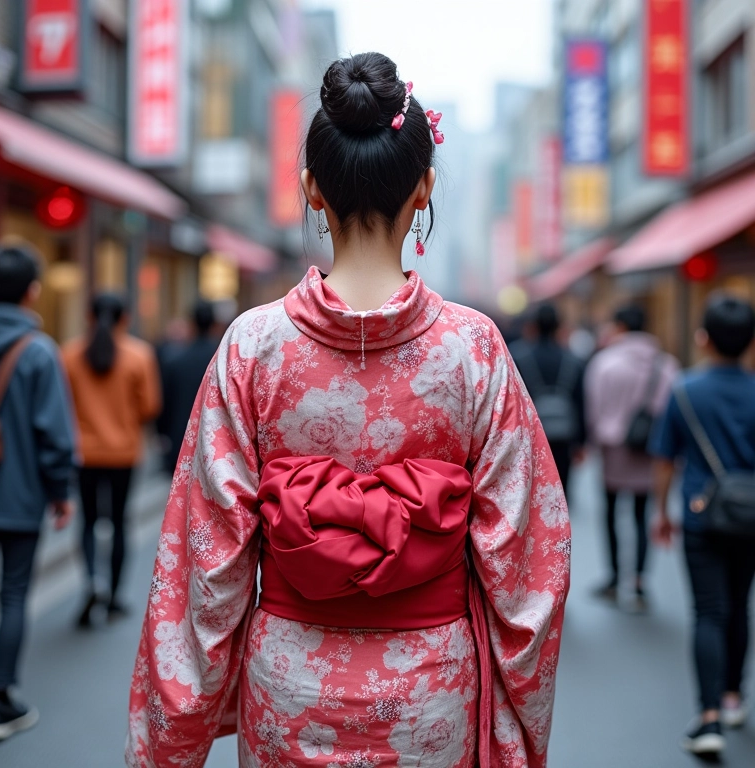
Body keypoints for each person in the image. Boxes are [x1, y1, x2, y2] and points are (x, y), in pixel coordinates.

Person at [126, 52, 570, 768]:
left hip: (289, 687)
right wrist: (518, 733)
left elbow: (204, 562)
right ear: (424, 187)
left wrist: (168, 746)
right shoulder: (474, 349)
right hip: (430, 694)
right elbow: (530, 561)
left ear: (312, 188)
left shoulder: (253, 347)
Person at [652, 294, 755, 757]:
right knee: (740, 604)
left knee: (709, 611)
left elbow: (665, 458)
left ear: (704, 338)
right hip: (751, 518)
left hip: (701, 515)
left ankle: (709, 717)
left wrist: (661, 512)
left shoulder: (684, 390)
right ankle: (733, 695)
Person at [0, 241, 76, 741]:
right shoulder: (39, 351)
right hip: (19, 497)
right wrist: (60, 492)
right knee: (14, 594)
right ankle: (0, 700)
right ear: (32, 291)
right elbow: (55, 436)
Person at [62, 294, 161, 626]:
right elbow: (150, 406)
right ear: (125, 318)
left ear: (88, 316)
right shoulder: (139, 355)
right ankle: (115, 595)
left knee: (88, 520)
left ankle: (93, 579)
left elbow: (61, 406)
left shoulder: (70, 355)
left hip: (83, 453)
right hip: (124, 453)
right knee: (119, 521)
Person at [584, 305, 678, 610]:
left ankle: (613, 577)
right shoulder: (667, 365)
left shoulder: (605, 362)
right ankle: (638, 581)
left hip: (613, 449)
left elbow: (594, 409)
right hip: (650, 449)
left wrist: (592, 443)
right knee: (641, 513)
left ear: (621, 326)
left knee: (610, 512)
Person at [513, 303, 585, 494]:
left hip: (531, 435)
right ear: (558, 326)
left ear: (534, 325)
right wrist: (581, 442)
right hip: (564, 435)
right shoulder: (572, 360)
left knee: (534, 491)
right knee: (561, 489)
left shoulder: (519, 357)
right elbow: (580, 402)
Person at [156, 300, 219, 475]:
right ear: (214, 324)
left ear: (192, 323)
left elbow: (164, 404)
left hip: (181, 439)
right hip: (217, 442)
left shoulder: (175, 361)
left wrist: (163, 434)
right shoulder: (224, 359)